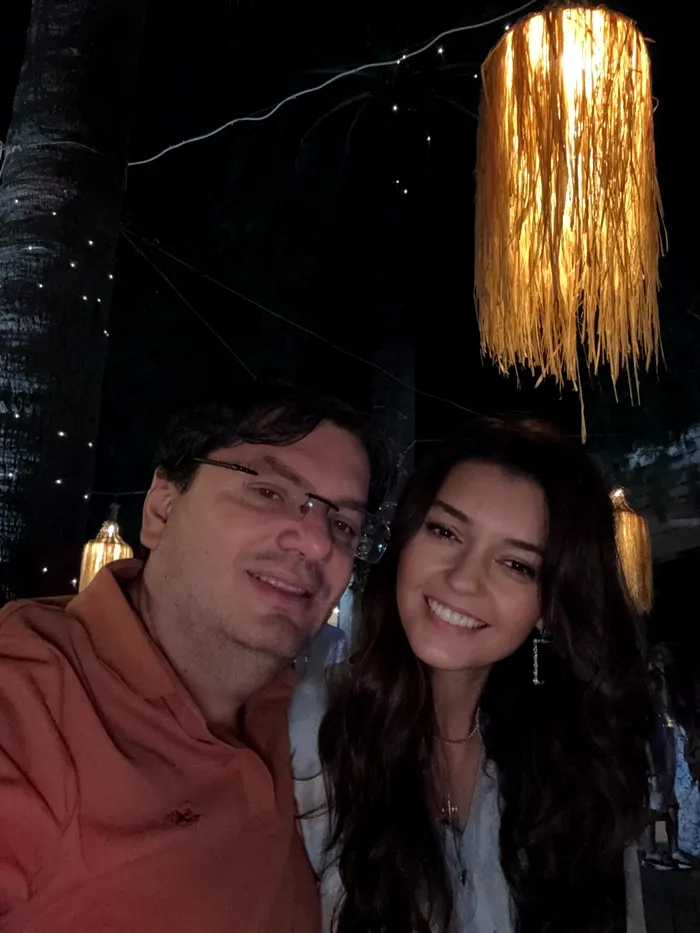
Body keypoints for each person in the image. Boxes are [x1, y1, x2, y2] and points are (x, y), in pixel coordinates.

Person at [0, 388, 393, 933]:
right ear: (161, 509)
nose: (317, 543)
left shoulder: (310, 712)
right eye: (268, 491)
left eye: (344, 525)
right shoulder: (30, 697)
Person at [290, 416, 653, 933]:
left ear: (550, 606)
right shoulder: (306, 736)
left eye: (517, 565)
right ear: (405, 540)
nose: (463, 580)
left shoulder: (572, 768)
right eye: (445, 532)